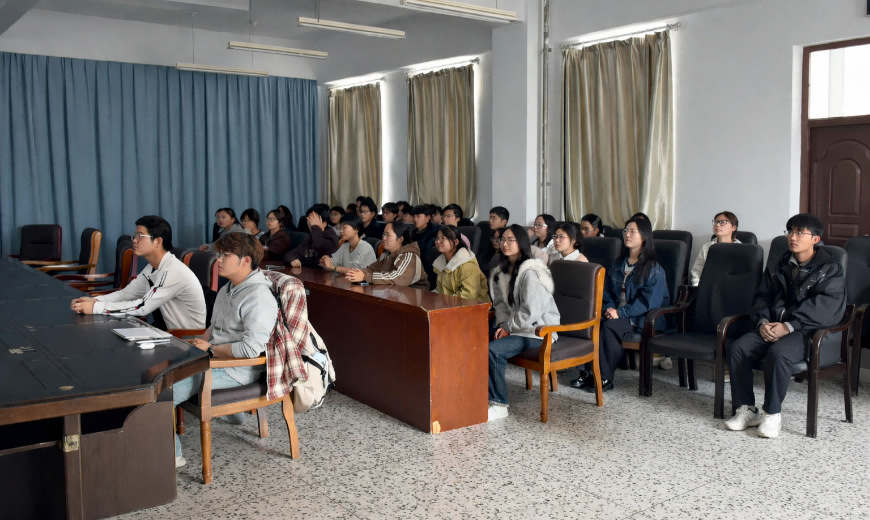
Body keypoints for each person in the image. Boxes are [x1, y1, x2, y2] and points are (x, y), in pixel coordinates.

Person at [725, 213, 845, 439]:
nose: (793, 237)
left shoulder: (830, 268)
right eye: (790, 231)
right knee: (739, 347)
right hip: (773, 325)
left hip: (807, 330)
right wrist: (762, 322)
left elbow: (825, 307)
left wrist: (789, 326)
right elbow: (761, 297)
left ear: (815, 239)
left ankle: (772, 414)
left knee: (779, 352)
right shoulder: (778, 265)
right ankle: (747, 409)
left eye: (800, 232)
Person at [172, 232, 279, 467]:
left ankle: (171, 455)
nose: (218, 260)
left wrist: (210, 349)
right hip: (216, 358)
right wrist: (198, 344)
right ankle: (233, 412)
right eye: (219, 254)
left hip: (239, 369)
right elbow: (213, 328)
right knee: (164, 366)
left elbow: (250, 349)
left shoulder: (258, 296)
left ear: (246, 260)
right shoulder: (227, 288)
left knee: (165, 391)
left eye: (225, 255)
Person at [572, 216, 668, 393]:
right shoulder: (618, 263)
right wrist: (609, 308)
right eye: (625, 231)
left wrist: (620, 313)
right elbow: (607, 291)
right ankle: (586, 372)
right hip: (617, 312)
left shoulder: (653, 268)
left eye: (632, 231)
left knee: (609, 326)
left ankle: (604, 377)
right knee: (591, 322)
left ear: (644, 236)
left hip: (642, 318)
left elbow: (648, 302)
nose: (627, 235)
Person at [70, 215, 206, 331]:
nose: (134, 240)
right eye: (134, 236)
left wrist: (95, 308)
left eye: (140, 236)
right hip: (166, 332)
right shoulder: (152, 267)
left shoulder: (173, 271)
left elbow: (142, 307)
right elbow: (126, 294)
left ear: (158, 241)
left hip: (187, 342)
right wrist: (96, 300)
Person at [487, 224, 560, 421]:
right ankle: (478, 393)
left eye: (511, 240)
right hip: (515, 327)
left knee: (493, 350)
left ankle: (499, 404)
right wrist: (503, 325)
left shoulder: (531, 272)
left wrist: (508, 328)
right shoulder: (500, 273)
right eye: (503, 239)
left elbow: (531, 312)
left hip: (537, 330)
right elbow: (500, 305)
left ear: (522, 243)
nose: (505, 244)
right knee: (473, 338)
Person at [345, 222, 429, 289]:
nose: (384, 238)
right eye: (383, 234)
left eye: (388, 235)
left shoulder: (409, 255)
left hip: (414, 294)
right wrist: (358, 272)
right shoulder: (386, 254)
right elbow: (372, 269)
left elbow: (398, 277)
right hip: (393, 291)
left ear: (400, 239)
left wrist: (365, 277)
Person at [432, 225, 490, 302]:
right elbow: (440, 290)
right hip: (450, 304)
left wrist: (444, 303)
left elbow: (468, 295)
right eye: (437, 238)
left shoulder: (468, 265)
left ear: (455, 242)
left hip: (473, 306)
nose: (438, 241)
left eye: (443, 238)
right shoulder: (441, 263)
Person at [690, 211, 742, 286]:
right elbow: (697, 271)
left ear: (733, 227)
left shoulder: (741, 249)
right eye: (716, 222)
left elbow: (743, 275)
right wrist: (697, 287)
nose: (717, 225)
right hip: (708, 287)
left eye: (723, 222)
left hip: (733, 288)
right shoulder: (707, 247)